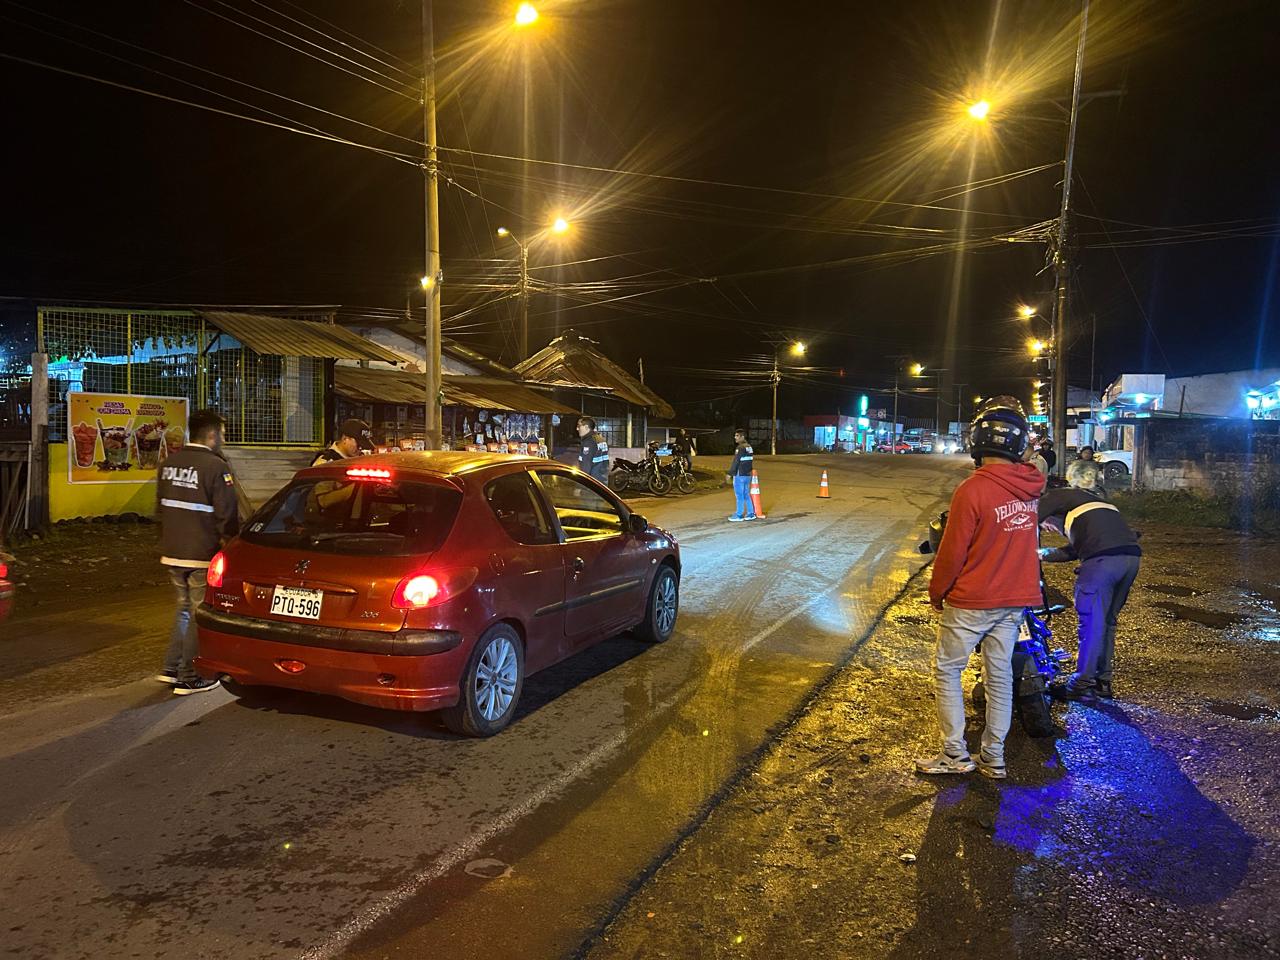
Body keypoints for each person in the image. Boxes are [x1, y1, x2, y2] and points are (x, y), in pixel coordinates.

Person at [917, 397, 1045, 780]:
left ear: (977, 440)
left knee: (948, 670)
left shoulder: (972, 490)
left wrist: (937, 593)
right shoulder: (1030, 488)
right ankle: (994, 756)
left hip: (973, 600)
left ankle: (955, 754)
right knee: (999, 675)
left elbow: (952, 552)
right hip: (1014, 600)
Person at [155, 409, 240, 695]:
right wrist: (230, 544)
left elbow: (159, 509)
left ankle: (171, 667)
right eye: (224, 434)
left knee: (182, 609)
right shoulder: (216, 467)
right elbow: (226, 515)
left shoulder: (169, 463)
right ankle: (190, 675)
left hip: (172, 550)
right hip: (201, 551)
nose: (224, 440)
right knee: (197, 613)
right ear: (212, 434)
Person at [1038, 477, 1142, 700]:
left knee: (1092, 624)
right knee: (1107, 622)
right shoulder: (1091, 507)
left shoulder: (1055, 496)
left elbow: (1026, 520)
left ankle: (1080, 684)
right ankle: (1102, 682)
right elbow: (1074, 550)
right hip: (1130, 558)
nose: (1048, 529)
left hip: (1102, 563)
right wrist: (1042, 554)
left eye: (1047, 526)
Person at [725, 428, 757, 522]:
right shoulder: (749, 447)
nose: (735, 438)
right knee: (746, 494)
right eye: (735, 436)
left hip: (740, 474)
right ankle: (751, 513)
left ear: (742, 437)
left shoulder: (740, 448)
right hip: (748, 474)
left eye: (737, 436)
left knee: (739, 495)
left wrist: (730, 473)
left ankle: (739, 515)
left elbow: (736, 462)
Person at [575, 416, 610, 483]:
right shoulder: (601, 439)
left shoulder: (589, 442)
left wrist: (581, 484)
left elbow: (586, 466)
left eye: (579, 426)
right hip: (602, 481)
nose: (577, 428)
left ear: (586, 427)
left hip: (591, 484)